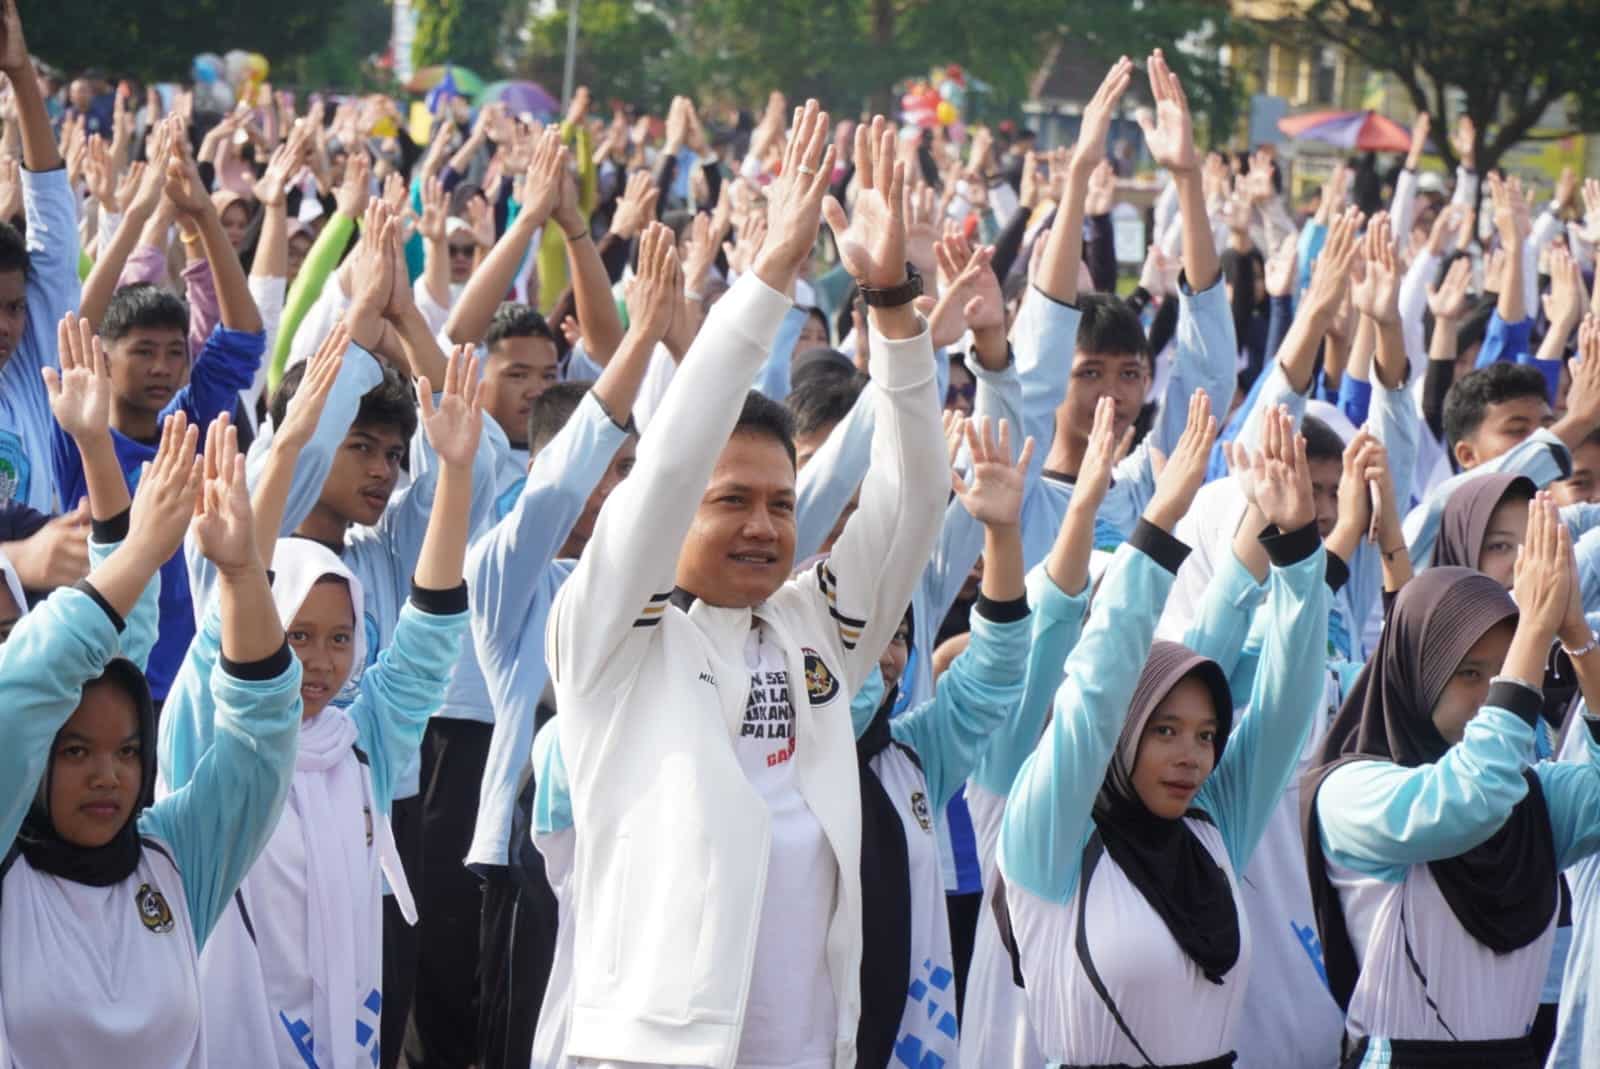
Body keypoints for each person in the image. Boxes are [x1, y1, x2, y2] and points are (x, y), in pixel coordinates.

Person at [546, 101, 946, 1067]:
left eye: (781, 502)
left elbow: (913, 501)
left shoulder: (814, 629)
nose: (765, 525)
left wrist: (892, 306)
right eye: (732, 501)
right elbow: (674, 456)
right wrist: (766, 276)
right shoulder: (608, 638)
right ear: (677, 506)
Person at [158, 336, 479, 1069]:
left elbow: (428, 639)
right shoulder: (216, 732)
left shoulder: (359, 738)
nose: (321, 661)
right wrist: (294, 442)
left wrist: (455, 474)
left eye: (341, 639)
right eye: (297, 634)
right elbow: (237, 595)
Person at [998, 377, 1329, 1066]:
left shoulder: (1211, 829)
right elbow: (1095, 692)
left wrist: (1297, 553)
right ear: (1124, 730)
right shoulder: (1051, 836)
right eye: (1164, 731)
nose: (1192, 756)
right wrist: (1159, 523)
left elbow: (1285, 702)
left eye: (1207, 736)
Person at [0, 397, 300, 1066]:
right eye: (75, 750)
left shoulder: (172, 859)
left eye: (129, 751)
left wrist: (243, 571)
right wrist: (138, 548)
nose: (108, 775)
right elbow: (17, 690)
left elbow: (261, 745)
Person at [466, 221, 674, 1069]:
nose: (618, 488)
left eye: (633, 471)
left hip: (626, 856)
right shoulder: (510, 577)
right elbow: (555, 493)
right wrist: (642, 342)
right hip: (523, 858)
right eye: (606, 467)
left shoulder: (653, 589)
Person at [1303, 497, 1600, 1068]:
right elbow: (1466, 802)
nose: (1494, 690)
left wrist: (1577, 637)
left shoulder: (1528, 796)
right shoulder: (1352, 791)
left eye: (1506, 667)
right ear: (1417, 673)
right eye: (1469, 672)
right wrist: (1532, 635)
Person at [0, 0, 79, 515]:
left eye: (14, 308)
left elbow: (52, 223)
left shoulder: (28, 370)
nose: (7, 327)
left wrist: (20, 72)